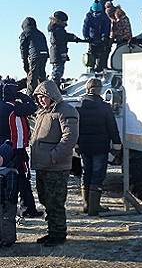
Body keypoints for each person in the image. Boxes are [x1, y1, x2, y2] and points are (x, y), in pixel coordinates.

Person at [31, 80, 79, 247]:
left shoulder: (66, 110)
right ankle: (52, 231)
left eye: (45, 97)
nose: (42, 100)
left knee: (55, 202)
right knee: (46, 200)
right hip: (42, 165)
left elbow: (70, 136)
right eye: (39, 97)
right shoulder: (42, 112)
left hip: (56, 167)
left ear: (53, 96)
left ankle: (58, 234)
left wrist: (55, 156)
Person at [76, 78, 121, 216]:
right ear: (100, 89)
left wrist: (76, 144)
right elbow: (112, 128)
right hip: (100, 147)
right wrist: (117, 145)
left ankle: (86, 205)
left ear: (87, 89)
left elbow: (75, 128)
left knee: (86, 173)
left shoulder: (79, 107)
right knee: (97, 175)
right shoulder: (105, 107)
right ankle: (94, 208)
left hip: (84, 146)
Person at [0, 78, 43, 218]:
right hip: (17, 149)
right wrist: (20, 95)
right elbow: (33, 105)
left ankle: (6, 208)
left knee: (5, 180)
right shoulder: (16, 107)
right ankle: (28, 208)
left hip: (3, 150)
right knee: (23, 179)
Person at [48, 11, 81, 88]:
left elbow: (64, 37)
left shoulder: (56, 28)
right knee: (57, 72)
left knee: (57, 71)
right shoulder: (58, 30)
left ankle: (56, 87)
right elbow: (62, 40)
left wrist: (72, 37)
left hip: (56, 53)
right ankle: (54, 88)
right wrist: (72, 37)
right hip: (58, 53)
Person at [19, 17, 49, 95]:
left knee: (33, 75)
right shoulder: (40, 33)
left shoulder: (25, 33)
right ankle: (45, 92)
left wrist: (24, 61)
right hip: (44, 54)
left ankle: (31, 94)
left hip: (35, 55)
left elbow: (23, 49)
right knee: (42, 74)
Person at [82, 0, 111, 72]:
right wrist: (86, 37)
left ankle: (100, 69)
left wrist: (104, 36)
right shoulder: (89, 17)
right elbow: (85, 27)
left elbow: (106, 27)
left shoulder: (104, 17)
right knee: (91, 55)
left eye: (98, 13)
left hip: (101, 40)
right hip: (92, 39)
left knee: (101, 55)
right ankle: (91, 69)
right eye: (95, 13)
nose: (97, 14)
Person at [0, 141, 18, 247]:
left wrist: (9, 200)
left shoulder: (10, 172)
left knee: (7, 221)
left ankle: (8, 239)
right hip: (0, 202)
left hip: (7, 202)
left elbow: (11, 188)